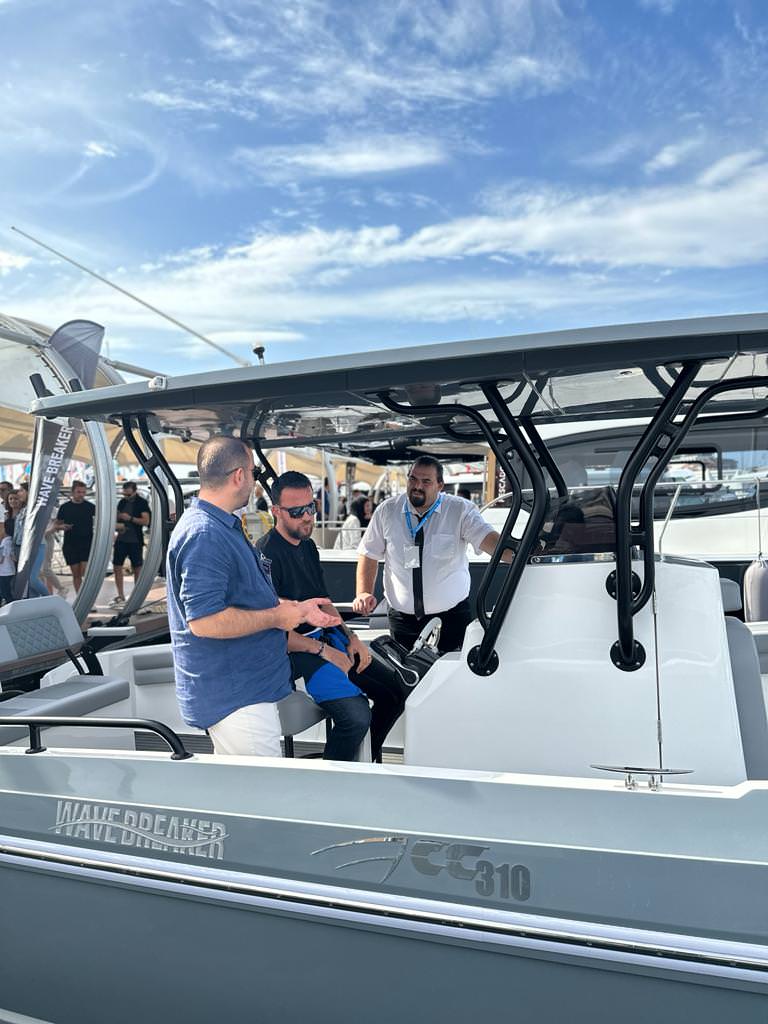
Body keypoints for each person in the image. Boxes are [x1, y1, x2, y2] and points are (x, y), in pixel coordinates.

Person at [166, 436, 339, 757]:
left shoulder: (221, 528)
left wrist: (295, 610)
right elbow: (204, 622)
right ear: (239, 476)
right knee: (265, 796)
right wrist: (277, 617)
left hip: (246, 691)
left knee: (244, 791)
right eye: (254, 471)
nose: (255, 480)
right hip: (237, 699)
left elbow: (243, 598)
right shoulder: (205, 534)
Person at [259, 472, 406, 762]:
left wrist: (352, 639)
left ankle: (366, 761)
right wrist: (325, 651)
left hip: (330, 641)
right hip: (297, 652)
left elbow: (325, 603)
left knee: (396, 692)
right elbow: (271, 631)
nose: (307, 517)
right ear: (276, 511)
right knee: (356, 717)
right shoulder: (265, 555)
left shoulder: (309, 546)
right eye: (297, 511)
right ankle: (331, 780)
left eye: (310, 508)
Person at [353, 456, 507, 653]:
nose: (417, 486)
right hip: (402, 621)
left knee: (452, 678)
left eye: (426, 481)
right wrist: (363, 592)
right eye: (413, 479)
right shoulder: (387, 510)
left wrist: (523, 554)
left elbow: (490, 541)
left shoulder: (460, 511)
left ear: (440, 485)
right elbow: (368, 553)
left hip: (451, 619)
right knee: (407, 678)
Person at [111, 481, 151, 606]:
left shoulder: (142, 503)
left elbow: (146, 521)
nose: (126, 497)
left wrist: (130, 519)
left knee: (137, 567)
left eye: (128, 495)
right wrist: (118, 525)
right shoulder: (122, 502)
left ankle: (137, 595)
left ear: (134, 491)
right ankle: (121, 594)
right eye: (125, 494)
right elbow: (116, 518)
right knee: (117, 566)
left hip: (135, 540)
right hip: (121, 538)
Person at [53, 481, 95, 593]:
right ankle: (80, 597)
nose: (81, 494)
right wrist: (63, 527)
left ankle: (87, 596)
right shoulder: (64, 507)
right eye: (78, 492)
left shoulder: (90, 507)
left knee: (85, 571)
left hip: (87, 542)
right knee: (76, 574)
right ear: (72, 492)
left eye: (83, 492)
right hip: (70, 543)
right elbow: (56, 525)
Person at [0, 521, 14, 605]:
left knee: (5, 593)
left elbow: (1, 559)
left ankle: (10, 607)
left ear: (4, 529)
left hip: (4, 572)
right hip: (10, 570)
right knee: (7, 591)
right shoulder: (11, 541)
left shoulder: (4, 543)